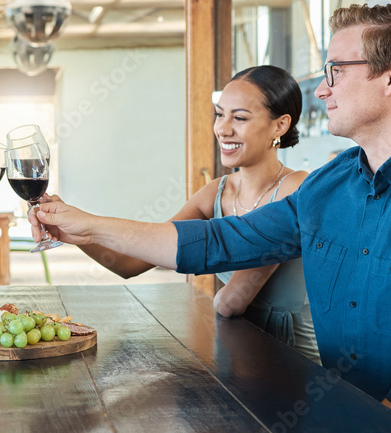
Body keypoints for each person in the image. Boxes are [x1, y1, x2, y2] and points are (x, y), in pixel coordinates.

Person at [31, 4, 391, 431]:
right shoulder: (333, 184)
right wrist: (84, 224)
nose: (323, 91)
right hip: (349, 412)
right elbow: (220, 243)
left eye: (336, 72)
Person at [59, 65, 318, 362]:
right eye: (220, 114)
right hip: (237, 351)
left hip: (295, 366)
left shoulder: (297, 188)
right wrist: (74, 231)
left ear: (280, 125)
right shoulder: (217, 191)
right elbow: (130, 262)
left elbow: (231, 301)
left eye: (240, 118)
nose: (223, 128)